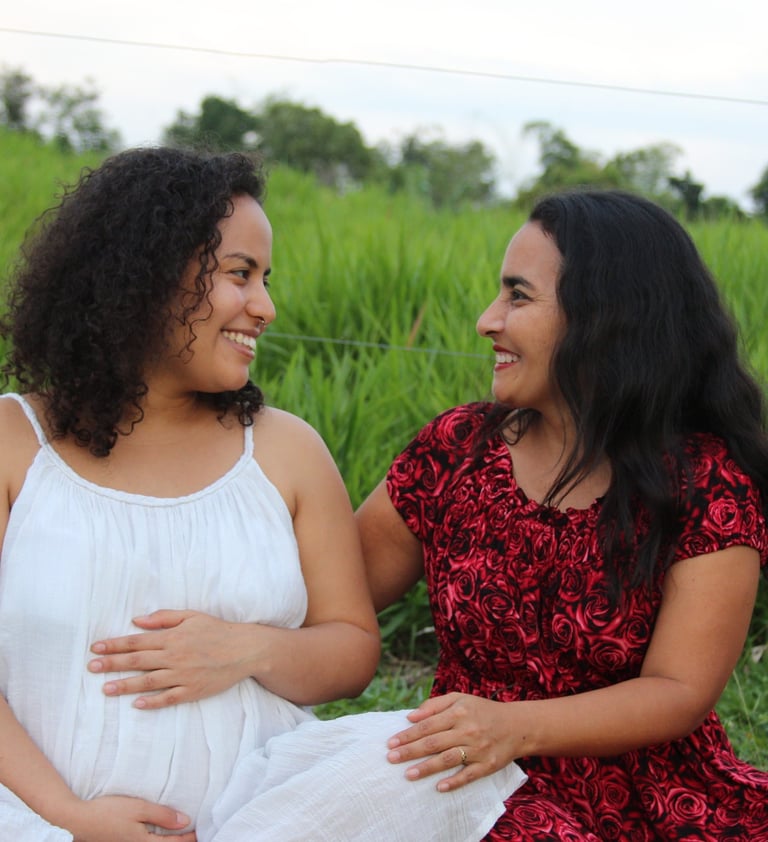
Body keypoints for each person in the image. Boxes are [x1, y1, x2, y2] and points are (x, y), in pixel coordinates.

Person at [0, 147, 525, 842]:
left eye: (266, 279)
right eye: (239, 275)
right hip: (36, 809)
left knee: (425, 761)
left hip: (259, 814)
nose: (266, 307)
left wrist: (247, 650)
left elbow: (351, 649)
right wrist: (68, 818)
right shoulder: (15, 439)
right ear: (145, 276)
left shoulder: (285, 450)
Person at [357, 188, 768, 840]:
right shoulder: (456, 451)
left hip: (646, 803)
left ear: (606, 317)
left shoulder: (703, 484)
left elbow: (679, 690)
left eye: (518, 296)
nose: (487, 320)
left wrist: (514, 726)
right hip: (468, 785)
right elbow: (329, 594)